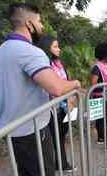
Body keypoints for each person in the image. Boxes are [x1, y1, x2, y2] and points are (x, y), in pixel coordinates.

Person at [0, 3, 81, 176]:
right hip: (31, 131)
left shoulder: (2, 50)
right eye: (39, 21)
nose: (41, 26)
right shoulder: (29, 51)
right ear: (29, 23)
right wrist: (75, 83)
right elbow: (56, 88)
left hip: (11, 130)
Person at [38, 36, 75, 172]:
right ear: (47, 48)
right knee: (55, 138)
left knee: (61, 135)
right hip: (50, 109)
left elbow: (67, 81)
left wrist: (70, 99)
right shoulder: (44, 67)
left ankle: (61, 163)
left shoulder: (59, 63)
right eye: (55, 46)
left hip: (63, 107)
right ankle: (61, 164)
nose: (59, 49)